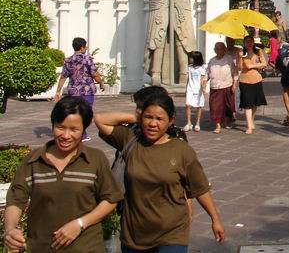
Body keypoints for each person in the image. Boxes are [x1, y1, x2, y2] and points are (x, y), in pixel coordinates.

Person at [95, 94, 225, 251]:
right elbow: (100, 119)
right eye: (148, 117)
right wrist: (136, 117)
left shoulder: (182, 150)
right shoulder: (130, 139)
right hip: (134, 235)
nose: (153, 124)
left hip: (171, 234)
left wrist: (215, 219)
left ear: (170, 121)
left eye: (159, 119)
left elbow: (200, 188)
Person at [4, 96, 122, 253]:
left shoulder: (95, 159)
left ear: (84, 130)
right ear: (52, 126)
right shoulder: (33, 161)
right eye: (60, 127)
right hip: (42, 247)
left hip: (86, 248)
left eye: (74, 130)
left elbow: (110, 199)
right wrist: (10, 229)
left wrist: (80, 224)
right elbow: (16, 199)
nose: (66, 136)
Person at [53, 37, 105, 141]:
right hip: (87, 91)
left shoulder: (68, 60)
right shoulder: (87, 59)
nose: (85, 49)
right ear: (82, 47)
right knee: (86, 113)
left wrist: (58, 91)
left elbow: (63, 76)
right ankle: (82, 134)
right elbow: (94, 74)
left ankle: (79, 134)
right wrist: (101, 82)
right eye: (85, 47)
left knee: (75, 112)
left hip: (73, 91)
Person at [239, 34, 268, 134]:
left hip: (256, 79)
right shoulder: (242, 53)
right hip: (244, 80)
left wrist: (252, 65)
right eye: (247, 42)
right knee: (247, 103)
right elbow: (239, 67)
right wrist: (239, 58)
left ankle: (251, 120)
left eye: (250, 41)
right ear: (244, 43)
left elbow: (264, 64)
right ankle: (249, 126)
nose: (249, 43)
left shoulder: (258, 51)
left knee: (255, 103)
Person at [206, 42, 238, 134]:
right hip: (215, 86)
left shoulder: (228, 59)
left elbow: (234, 72)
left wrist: (234, 84)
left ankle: (227, 120)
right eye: (217, 49)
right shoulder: (212, 61)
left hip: (227, 85)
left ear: (224, 49)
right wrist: (204, 81)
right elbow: (208, 73)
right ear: (214, 50)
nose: (219, 51)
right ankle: (217, 125)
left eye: (221, 49)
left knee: (229, 106)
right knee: (215, 107)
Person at [184, 52, 207, 132]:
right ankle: (189, 123)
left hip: (198, 90)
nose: (190, 59)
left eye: (192, 57)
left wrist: (203, 89)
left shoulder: (202, 68)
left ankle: (197, 123)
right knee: (187, 105)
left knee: (198, 106)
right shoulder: (189, 67)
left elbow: (202, 80)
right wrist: (186, 88)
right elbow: (188, 78)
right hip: (190, 89)